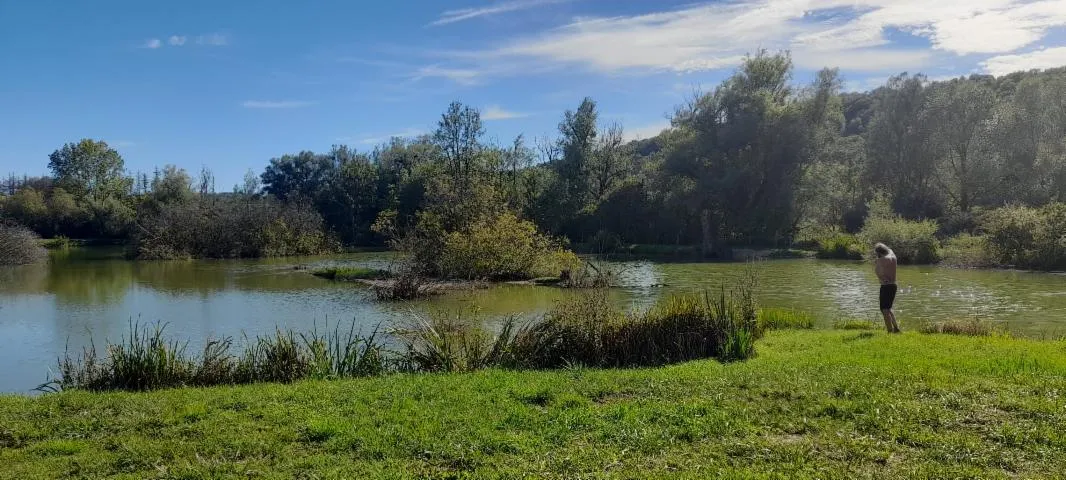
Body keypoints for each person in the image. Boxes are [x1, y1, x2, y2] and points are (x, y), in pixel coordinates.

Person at [874, 243, 900, 333]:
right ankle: (896, 329)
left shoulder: (882, 260)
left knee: (884, 310)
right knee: (888, 308)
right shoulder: (892, 255)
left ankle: (890, 331)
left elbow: (877, 270)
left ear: (879, 253)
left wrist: (877, 262)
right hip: (893, 285)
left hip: (886, 285)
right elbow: (889, 249)